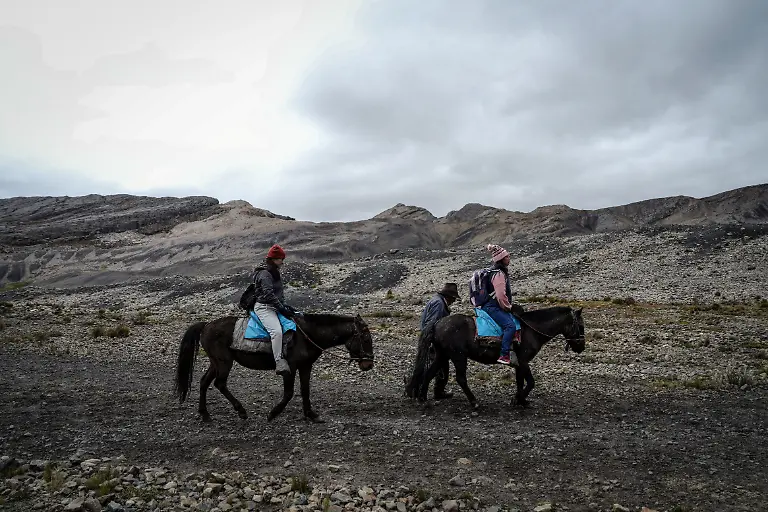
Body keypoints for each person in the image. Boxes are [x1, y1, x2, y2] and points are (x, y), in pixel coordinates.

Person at [251, 244, 300, 377]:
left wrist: (285, 306)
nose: (282, 262)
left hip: (273, 306)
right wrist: (282, 308)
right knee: (277, 332)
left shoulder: (273, 272)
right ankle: (279, 361)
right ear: (274, 259)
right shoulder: (265, 274)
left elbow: (278, 294)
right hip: (264, 308)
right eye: (281, 259)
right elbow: (269, 295)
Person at [480, 244, 521, 367]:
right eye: (507, 256)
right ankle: (504, 355)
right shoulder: (498, 274)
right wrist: (508, 307)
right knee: (510, 326)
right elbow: (500, 295)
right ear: (501, 259)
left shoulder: (494, 271)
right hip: (493, 306)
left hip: (491, 305)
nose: (509, 258)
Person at [420, 283, 461, 399]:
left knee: (436, 366)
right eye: (453, 299)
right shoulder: (439, 304)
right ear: (449, 296)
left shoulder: (437, 300)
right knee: (438, 367)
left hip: (430, 338)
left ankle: (430, 390)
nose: (453, 301)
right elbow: (432, 323)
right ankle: (435, 392)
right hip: (432, 340)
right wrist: (432, 341)